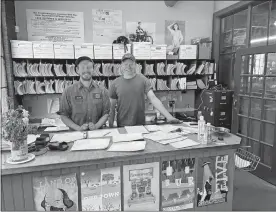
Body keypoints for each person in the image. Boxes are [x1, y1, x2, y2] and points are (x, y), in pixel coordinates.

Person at [109, 53, 180, 127]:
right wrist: (110, 126)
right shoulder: (115, 83)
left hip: (140, 124)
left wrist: (169, 117)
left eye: (131, 64)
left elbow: (153, 99)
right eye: (126, 64)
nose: (128, 67)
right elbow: (111, 107)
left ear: (135, 65)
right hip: (122, 125)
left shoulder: (143, 80)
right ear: (121, 65)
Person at [59, 56, 110, 131]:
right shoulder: (68, 91)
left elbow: (106, 114)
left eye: (89, 67)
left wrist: (96, 126)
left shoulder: (103, 91)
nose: (86, 70)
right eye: (82, 67)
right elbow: (63, 115)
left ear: (93, 69)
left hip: (97, 134)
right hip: (76, 134)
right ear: (77, 70)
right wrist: (78, 128)